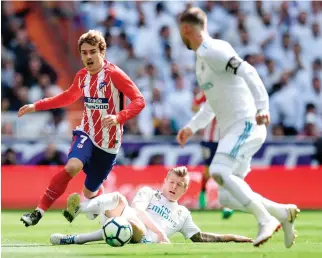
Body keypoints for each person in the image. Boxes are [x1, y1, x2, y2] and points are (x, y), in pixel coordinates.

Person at [176, 7, 299, 248]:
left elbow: (248, 70)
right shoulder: (202, 59)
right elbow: (212, 104)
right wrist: (192, 127)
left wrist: (263, 106)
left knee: (219, 172)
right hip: (232, 129)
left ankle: (265, 219)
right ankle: (283, 213)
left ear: (186, 29)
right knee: (227, 196)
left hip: (246, 123)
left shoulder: (214, 49)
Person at [18, 30, 146, 227]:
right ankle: (38, 211)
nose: (88, 57)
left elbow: (139, 100)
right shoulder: (82, 76)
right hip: (87, 132)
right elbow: (67, 97)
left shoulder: (115, 75)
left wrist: (119, 117)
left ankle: (95, 203)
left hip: (109, 143)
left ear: (102, 52)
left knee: (89, 192)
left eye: (92, 52)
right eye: (84, 53)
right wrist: (37, 105)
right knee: (72, 166)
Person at [50, 167, 253, 245]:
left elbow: (200, 237)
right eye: (172, 182)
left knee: (124, 218)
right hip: (127, 222)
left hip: (144, 238)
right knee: (120, 201)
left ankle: (77, 235)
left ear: (185, 189)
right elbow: (137, 211)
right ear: (165, 181)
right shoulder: (148, 192)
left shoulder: (183, 213)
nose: (174, 187)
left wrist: (234, 238)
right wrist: (162, 234)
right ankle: (80, 209)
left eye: (180, 185)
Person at [193, 91, 233, 219]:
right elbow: (193, 106)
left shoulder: (229, 92)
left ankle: (226, 203)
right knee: (207, 170)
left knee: (224, 170)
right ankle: (203, 193)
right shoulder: (206, 92)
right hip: (208, 140)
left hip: (224, 139)